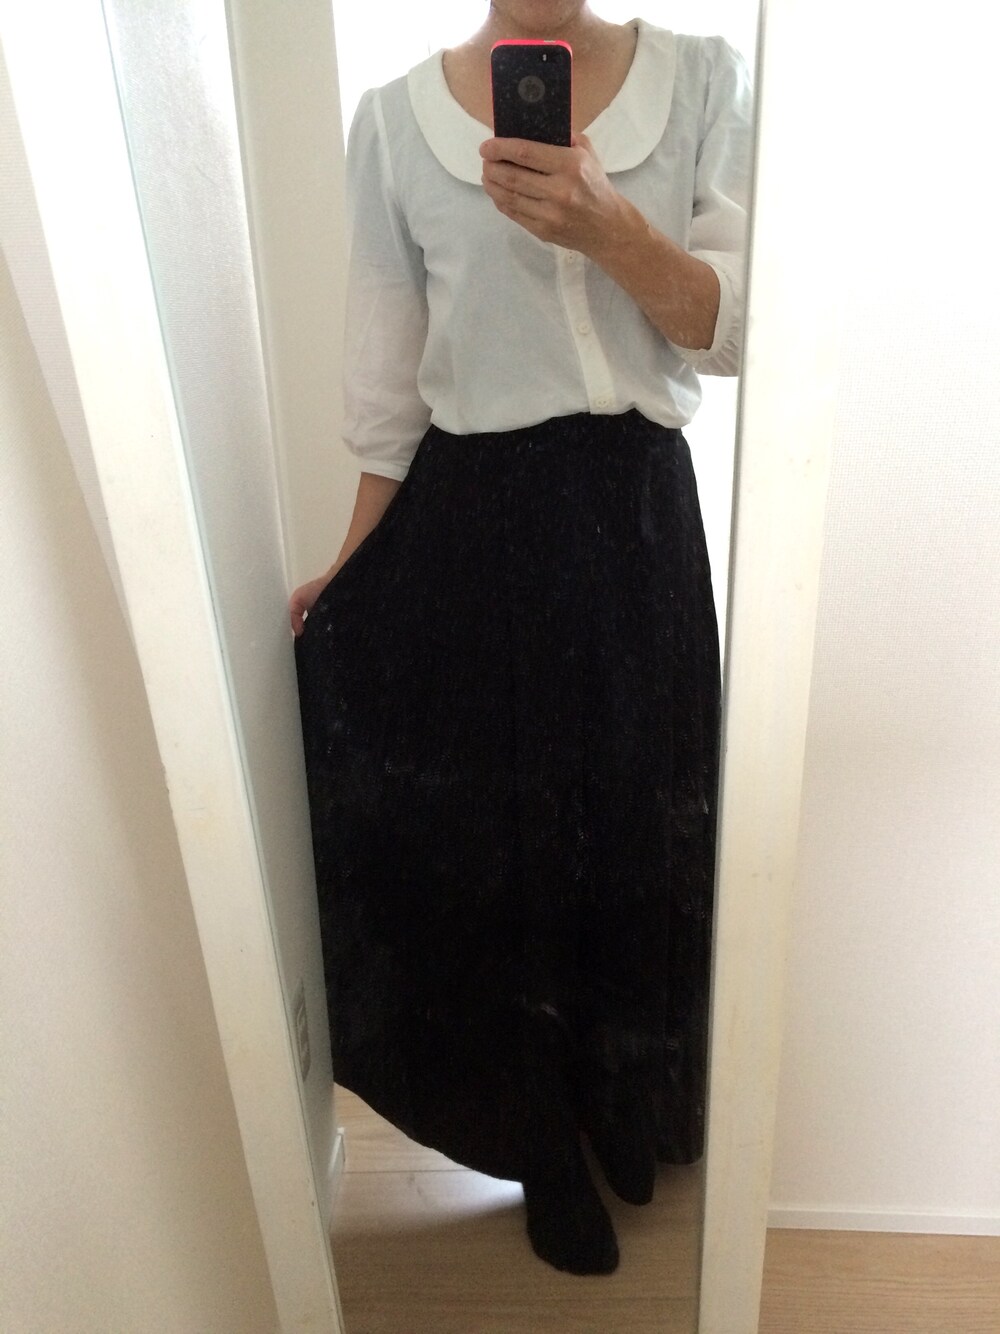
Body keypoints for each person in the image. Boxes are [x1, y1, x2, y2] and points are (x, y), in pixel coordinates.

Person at [291, 2, 752, 1276]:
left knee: (643, 827)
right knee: (508, 853)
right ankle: (542, 1143)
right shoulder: (396, 124)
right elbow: (388, 384)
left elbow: (737, 330)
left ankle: (624, 1107)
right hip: (473, 521)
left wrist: (613, 229)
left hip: (640, 517)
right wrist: (351, 566)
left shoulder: (703, 82)